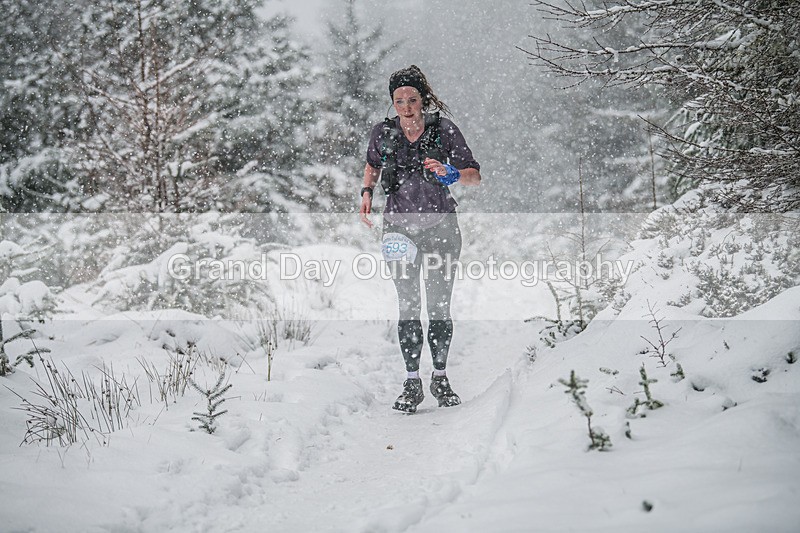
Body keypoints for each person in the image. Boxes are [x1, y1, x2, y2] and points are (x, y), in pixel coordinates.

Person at [359, 65, 481, 413]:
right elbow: (372, 165)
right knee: (409, 306)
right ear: (392, 103)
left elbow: (474, 175)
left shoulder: (443, 130)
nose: (407, 106)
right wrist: (366, 192)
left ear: (422, 99)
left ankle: (440, 377)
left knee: (439, 306)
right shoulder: (382, 133)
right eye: (399, 101)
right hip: (398, 229)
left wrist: (453, 173)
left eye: (412, 99)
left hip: (441, 227)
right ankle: (412, 382)